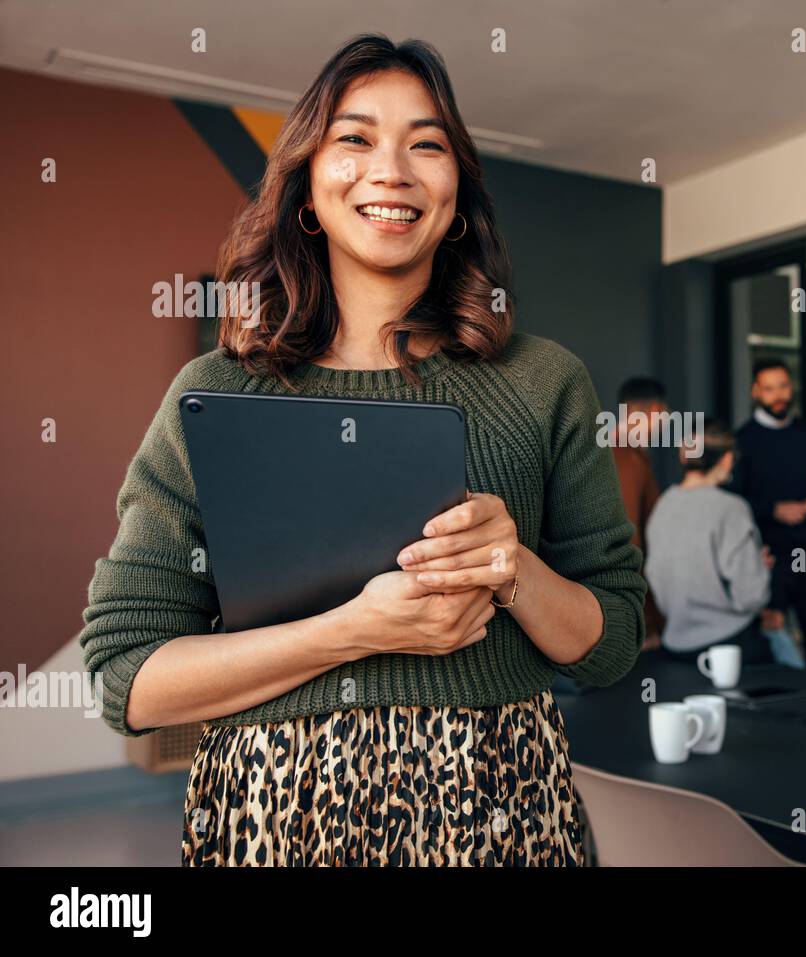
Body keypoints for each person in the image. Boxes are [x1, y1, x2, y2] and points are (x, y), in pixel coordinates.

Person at [76, 34, 645, 867]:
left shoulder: (542, 380)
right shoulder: (220, 392)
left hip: (501, 810)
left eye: (427, 143)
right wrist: (349, 631)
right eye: (354, 138)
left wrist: (511, 567)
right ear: (308, 184)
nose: (393, 169)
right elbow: (127, 677)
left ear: (456, 195)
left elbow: (614, 639)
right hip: (276, 817)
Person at [727, 358, 806, 671]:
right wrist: (774, 509)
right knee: (772, 644)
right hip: (769, 556)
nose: (778, 395)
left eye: (783, 386)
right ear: (755, 392)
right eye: (769, 388)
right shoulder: (743, 440)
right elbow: (734, 502)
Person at [643, 418, 776, 666]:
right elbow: (751, 595)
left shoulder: (663, 505)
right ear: (726, 459)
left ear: (685, 457)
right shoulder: (731, 508)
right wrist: (758, 570)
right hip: (729, 647)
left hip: (676, 646)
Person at [611, 376, 669, 651]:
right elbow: (629, 544)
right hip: (626, 612)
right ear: (656, 411)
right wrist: (647, 621)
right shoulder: (628, 459)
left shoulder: (606, 449)